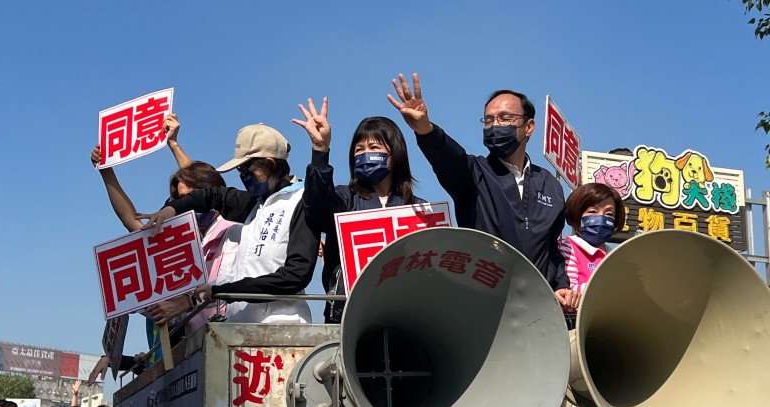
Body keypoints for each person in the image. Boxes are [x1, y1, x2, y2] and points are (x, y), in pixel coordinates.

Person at [388, 73, 578, 309]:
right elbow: (449, 157)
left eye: (504, 118)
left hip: (537, 308)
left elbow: (552, 249)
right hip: (483, 304)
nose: (495, 125)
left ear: (529, 126)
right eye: (488, 121)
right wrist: (426, 130)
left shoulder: (550, 185)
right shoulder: (473, 173)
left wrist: (561, 284)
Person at [90, 114, 236, 363]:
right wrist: (106, 171)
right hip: (190, 355)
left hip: (227, 347)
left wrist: (174, 144)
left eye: (193, 199)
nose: (189, 206)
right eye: (181, 202)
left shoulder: (233, 230)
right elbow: (131, 221)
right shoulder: (175, 243)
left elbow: (202, 189)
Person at [140, 124, 319, 323]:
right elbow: (212, 195)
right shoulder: (255, 205)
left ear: (270, 163)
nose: (243, 176)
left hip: (282, 327)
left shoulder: (301, 201)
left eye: (247, 168)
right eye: (240, 170)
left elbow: (295, 275)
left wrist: (223, 291)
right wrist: (171, 209)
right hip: (242, 329)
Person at [293, 97, 424, 322]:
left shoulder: (418, 208)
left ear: (395, 153)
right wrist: (320, 152)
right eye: (359, 149)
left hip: (406, 318)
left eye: (374, 147)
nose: (365, 154)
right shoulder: (345, 198)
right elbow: (317, 211)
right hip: (346, 316)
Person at [558, 182, 626, 301]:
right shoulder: (568, 247)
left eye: (609, 213)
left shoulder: (613, 256)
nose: (601, 218)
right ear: (577, 214)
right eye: (593, 212)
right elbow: (568, 294)